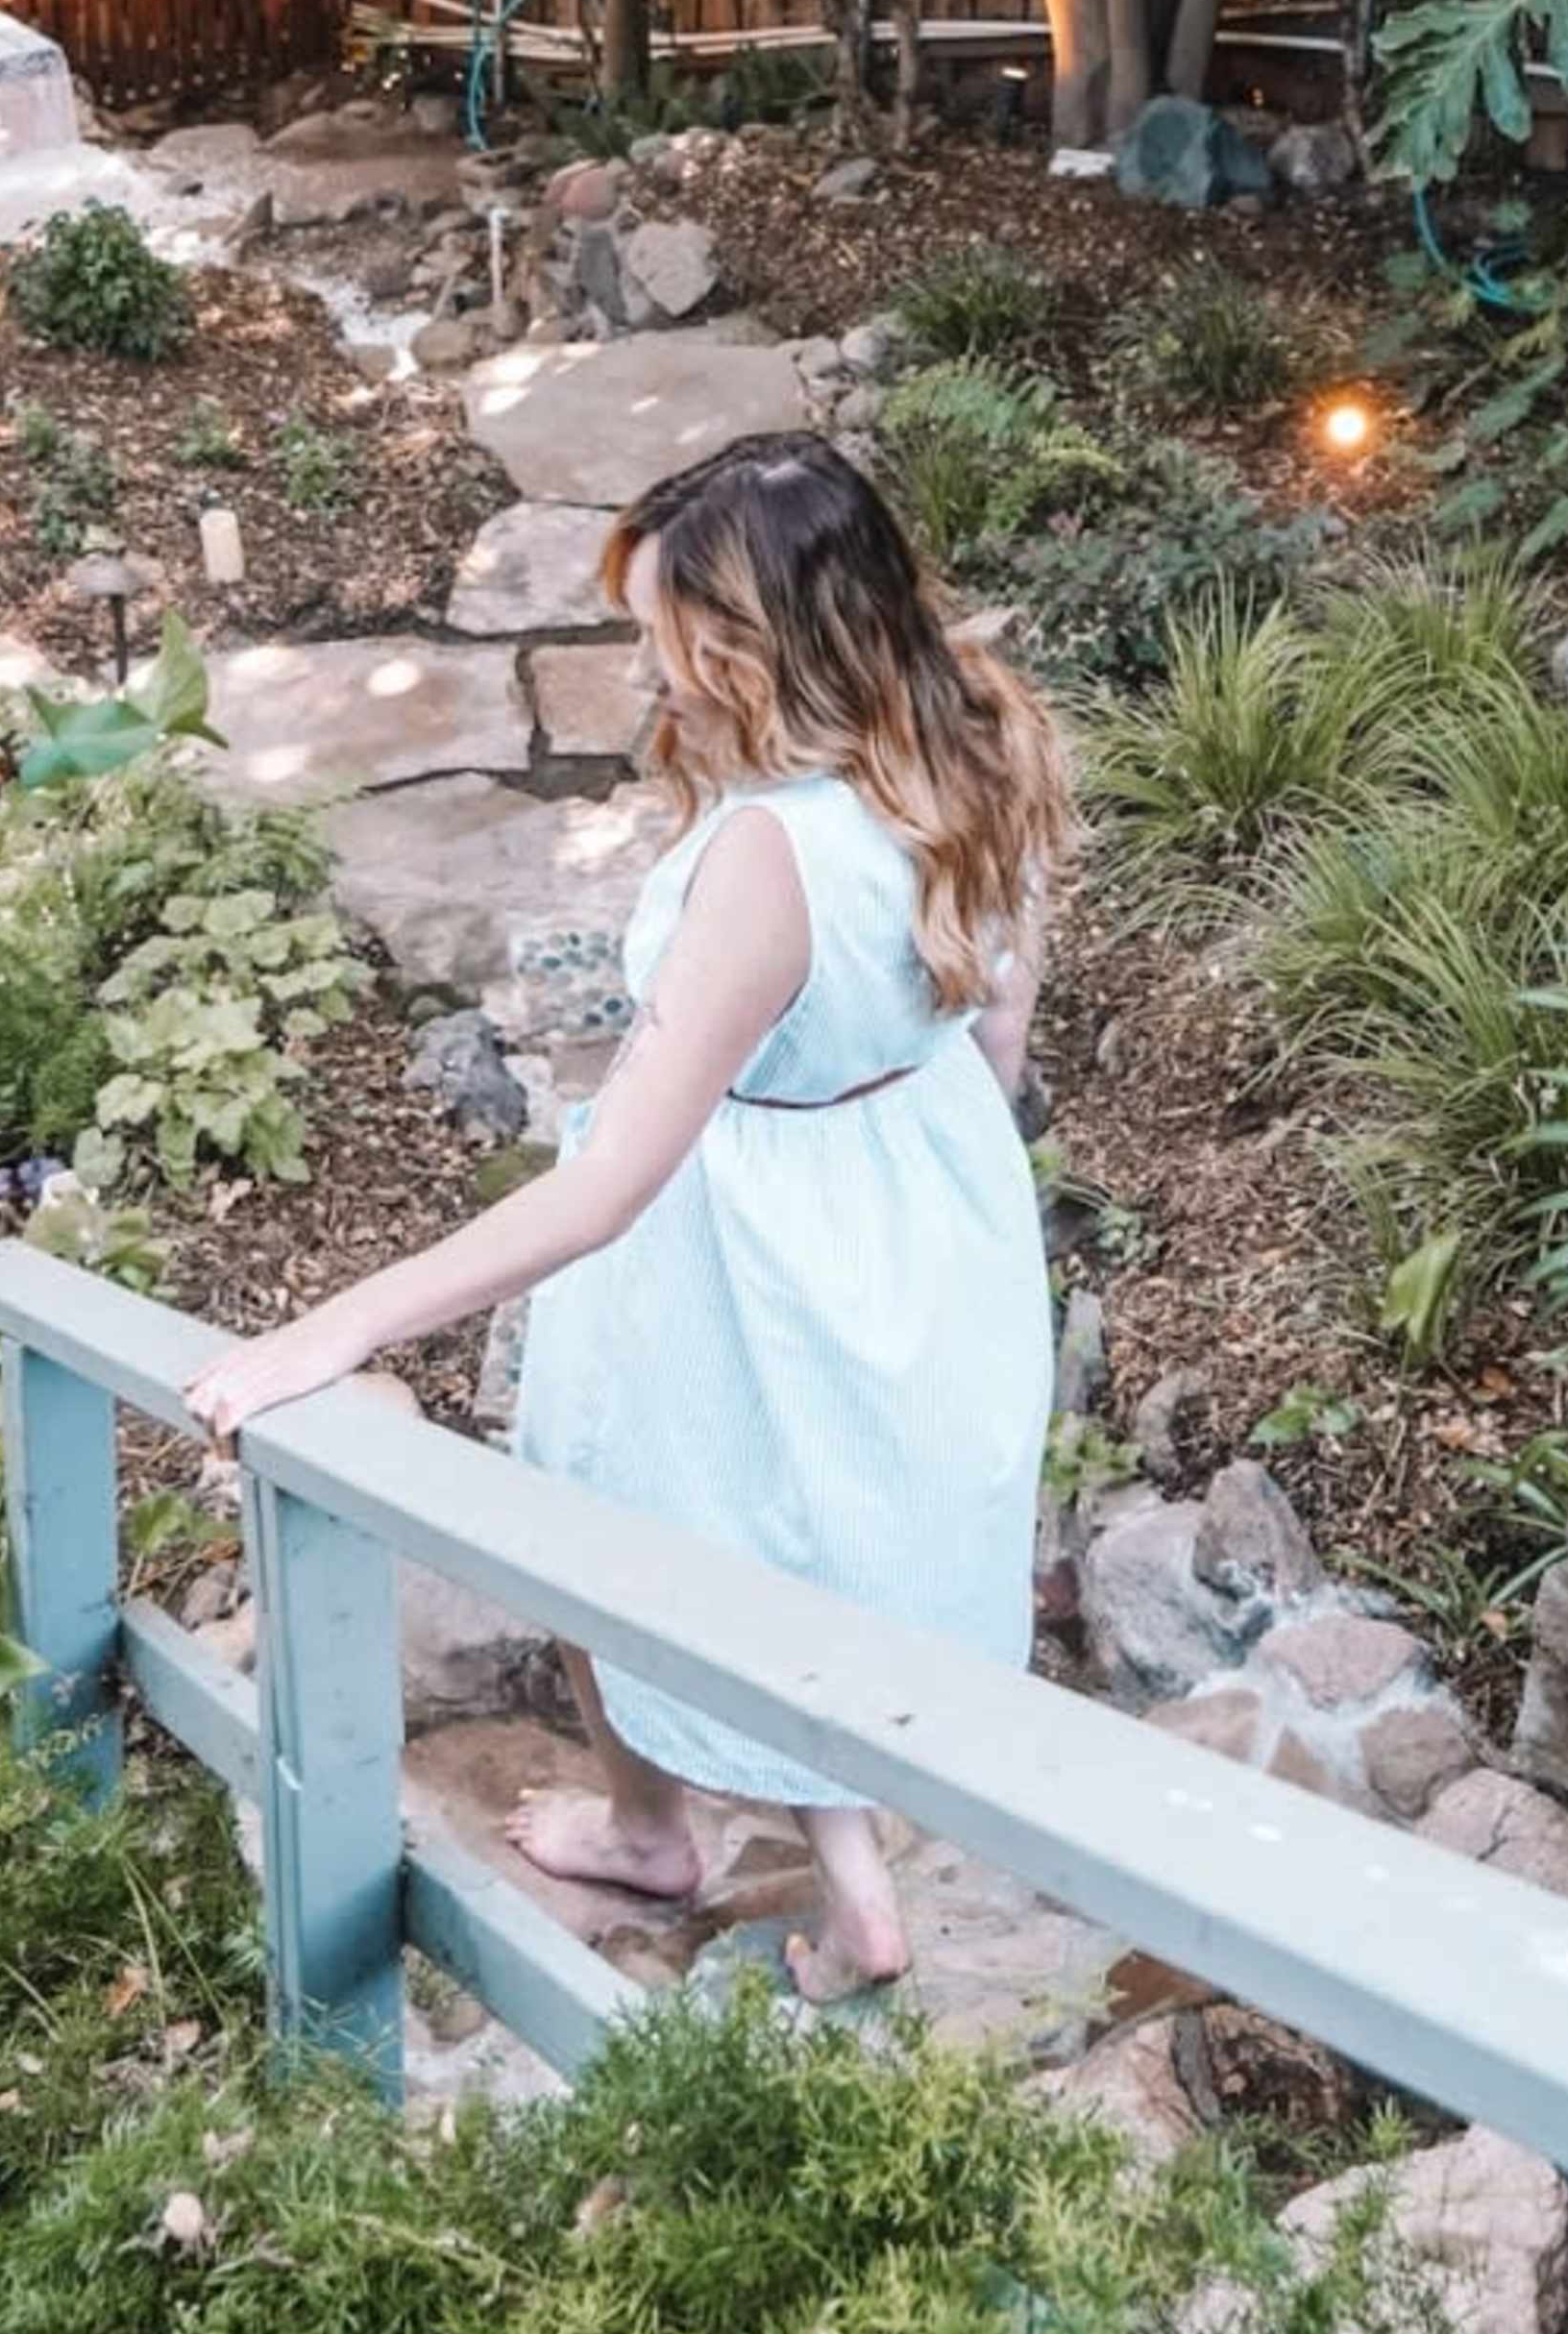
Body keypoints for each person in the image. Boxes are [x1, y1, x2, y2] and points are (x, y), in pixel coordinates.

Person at [184, 429, 1066, 1999]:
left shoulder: (769, 857)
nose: (647, 662)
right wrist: (928, 1186)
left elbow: (605, 1188)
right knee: (833, 1533)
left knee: (598, 1489)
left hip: (745, 1222)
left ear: (748, 645)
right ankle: (851, 1880)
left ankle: (656, 1827)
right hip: (916, 1182)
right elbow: (998, 1028)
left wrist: (329, 1330)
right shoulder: (977, 733)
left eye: (667, 629)